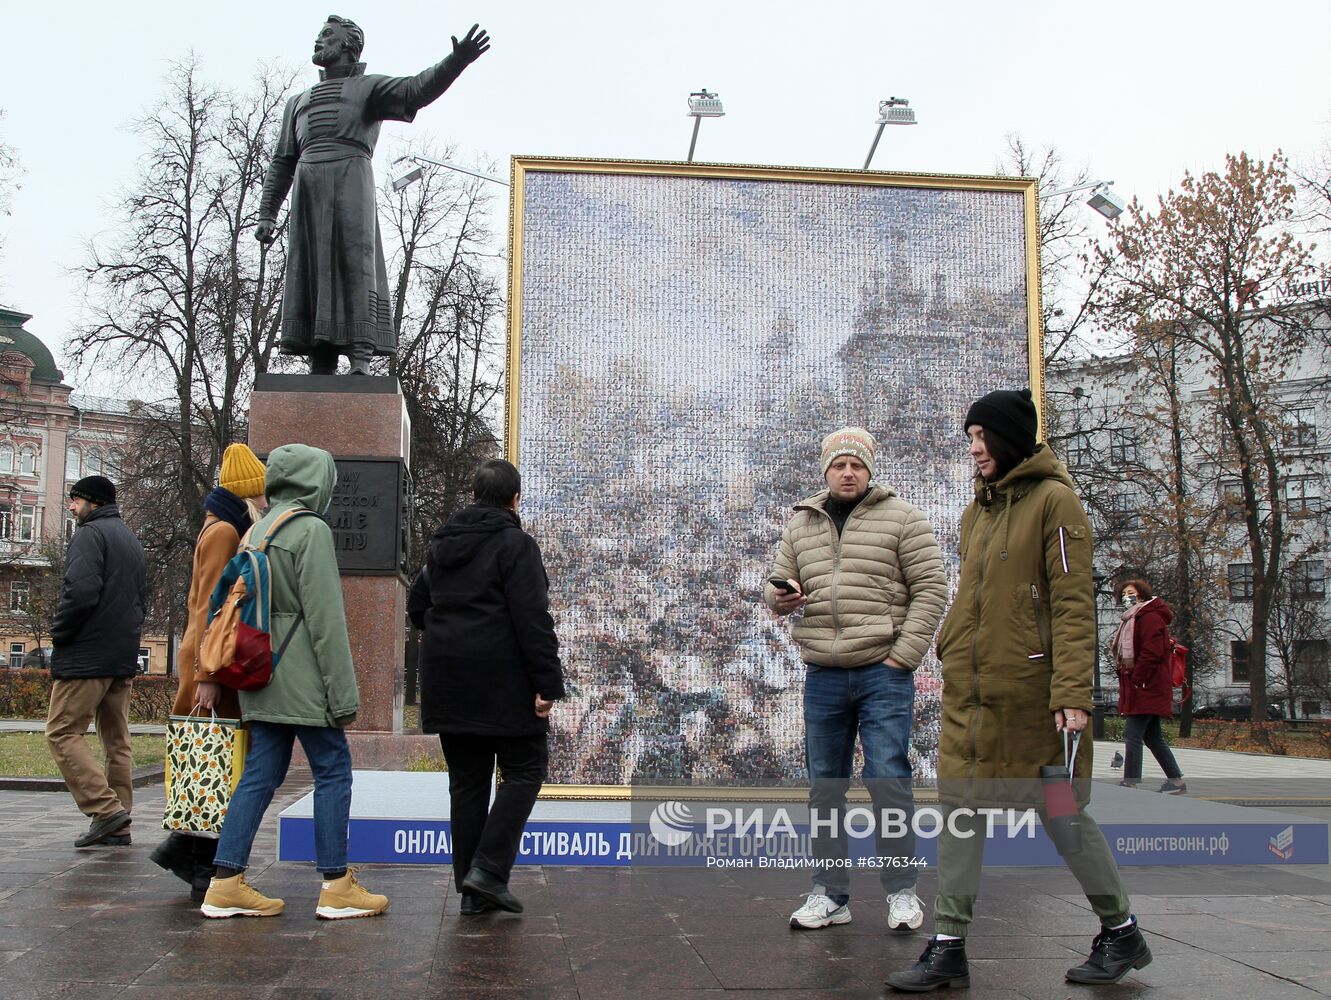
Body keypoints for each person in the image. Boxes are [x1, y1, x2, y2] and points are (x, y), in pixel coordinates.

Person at [887, 389, 1151, 992]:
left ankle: (1122, 931)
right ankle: (948, 945)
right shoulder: (977, 512)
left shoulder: (1056, 502)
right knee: (959, 811)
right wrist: (951, 642)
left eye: (982, 437)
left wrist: (1073, 693)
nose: (974, 449)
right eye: (970, 438)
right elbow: (974, 597)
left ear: (1008, 438)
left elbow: (1073, 603)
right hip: (972, 696)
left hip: (1036, 701)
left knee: (1061, 812)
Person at [764, 427, 947, 933]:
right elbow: (773, 590)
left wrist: (902, 657)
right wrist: (780, 597)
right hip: (823, 672)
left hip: (882, 672)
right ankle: (830, 893)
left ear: (870, 470)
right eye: (839, 464)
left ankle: (902, 891)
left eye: (857, 464)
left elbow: (932, 589)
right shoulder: (801, 523)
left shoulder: (904, 517)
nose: (848, 472)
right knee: (825, 788)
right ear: (826, 470)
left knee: (888, 780)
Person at [201, 444, 388, 921]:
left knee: (260, 775)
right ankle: (336, 885)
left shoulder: (256, 530)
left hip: (260, 672)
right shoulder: (310, 530)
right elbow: (325, 620)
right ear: (316, 482)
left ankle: (224, 883)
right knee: (333, 771)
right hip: (304, 679)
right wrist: (342, 695)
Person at [255, 15, 490, 374]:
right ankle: (320, 354)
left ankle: (360, 354)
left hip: (350, 177)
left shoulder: (368, 87)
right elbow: (283, 160)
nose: (319, 41)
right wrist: (267, 212)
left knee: (355, 262)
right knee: (311, 266)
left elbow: (416, 89)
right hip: (308, 187)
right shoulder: (297, 102)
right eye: (319, 35)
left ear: (349, 45)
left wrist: (456, 61)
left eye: (327, 35)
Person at [409, 459, 565, 915]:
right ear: (515, 500)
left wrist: (451, 631)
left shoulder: (442, 545)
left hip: (448, 681)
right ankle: (489, 871)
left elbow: (418, 606)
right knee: (525, 772)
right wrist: (547, 683)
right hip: (503, 682)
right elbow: (533, 619)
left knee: (467, 785)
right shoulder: (516, 545)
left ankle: (472, 895)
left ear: (474, 495)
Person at [151, 444, 268, 902]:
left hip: (209, 657)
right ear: (247, 493)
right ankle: (201, 866)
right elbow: (211, 608)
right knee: (215, 762)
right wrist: (209, 674)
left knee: (213, 761)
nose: (265, 501)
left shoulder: (221, 525)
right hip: (212, 660)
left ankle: (185, 852)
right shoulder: (224, 532)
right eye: (259, 493)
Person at [45, 475, 147, 848]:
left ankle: (106, 811)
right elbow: (141, 600)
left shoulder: (90, 535)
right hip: (121, 654)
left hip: (87, 655)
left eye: (76, 500)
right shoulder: (130, 540)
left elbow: (81, 592)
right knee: (116, 740)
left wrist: (59, 633)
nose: (71, 506)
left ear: (94, 502)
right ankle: (118, 824)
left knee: (61, 732)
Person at [1112, 578, 1186, 794]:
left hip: (1146, 685)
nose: (1127, 597)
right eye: (1124, 594)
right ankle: (1176, 782)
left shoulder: (1149, 617)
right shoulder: (1134, 618)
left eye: (1131, 593)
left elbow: (1151, 652)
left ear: (1142, 594)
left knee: (1132, 734)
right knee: (1152, 737)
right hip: (1145, 684)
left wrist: (1137, 678)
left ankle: (1130, 782)